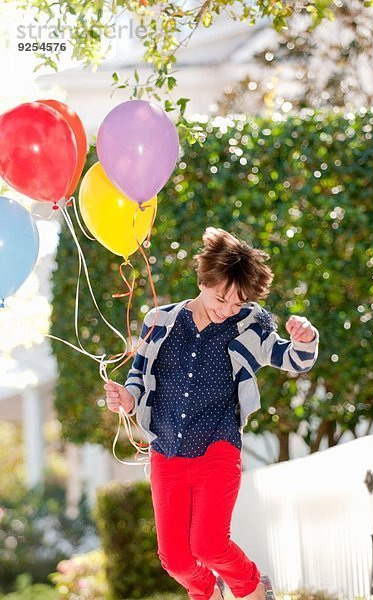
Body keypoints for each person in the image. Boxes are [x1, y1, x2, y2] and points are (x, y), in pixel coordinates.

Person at [105, 227, 319, 600]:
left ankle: (252, 586)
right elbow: (138, 378)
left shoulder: (249, 327)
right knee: (175, 560)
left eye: (237, 303)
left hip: (217, 448)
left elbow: (294, 360)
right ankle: (208, 590)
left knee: (208, 545)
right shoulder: (159, 321)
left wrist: (306, 338)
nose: (227, 309)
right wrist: (127, 398)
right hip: (166, 451)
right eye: (221, 298)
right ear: (203, 280)